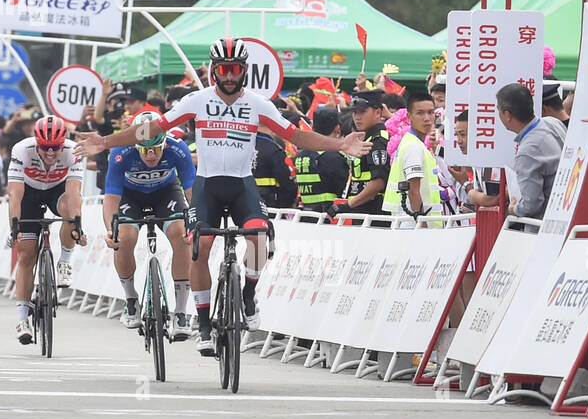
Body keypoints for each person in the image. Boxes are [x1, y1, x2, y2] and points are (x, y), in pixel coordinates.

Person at [78, 37, 370, 353]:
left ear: (244, 70)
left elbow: (295, 134)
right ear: (215, 70)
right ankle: (203, 324)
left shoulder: (258, 104)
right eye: (223, 69)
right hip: (208, 186)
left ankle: (248, 293)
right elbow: (153, 130)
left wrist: (339, 144)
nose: (229, 75)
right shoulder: (197, 100)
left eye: (235, 69)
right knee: (200, 245)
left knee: (258, 237)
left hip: (242, 184)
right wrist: (107, 142)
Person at [101, 111, 196, 338]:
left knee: (182, 235)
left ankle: (181, 311)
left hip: (166, 192)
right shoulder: (120, 152)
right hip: (130, 196)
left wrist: (195, 222)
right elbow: (111, 198)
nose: (151, 156)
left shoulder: (177, 148)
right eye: (145, 150)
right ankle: (131, 298)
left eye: (156, 149)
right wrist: (109, 229)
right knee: (123, 239)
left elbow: (192, 191)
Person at [6, 116, 87, 344]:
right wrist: (14, 226)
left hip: (57, 191)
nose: (50, 153)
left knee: (69, 213)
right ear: (36, 142)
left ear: (64, 143)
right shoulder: (22, 150)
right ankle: (22, 318)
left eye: (56, 148)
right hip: (28, 194)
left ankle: (64, 261)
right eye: (45, 147)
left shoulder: (73, 151)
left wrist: (78, 224)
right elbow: (15, 195)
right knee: (26, 254)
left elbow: (74, 194)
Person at [497, 82, 565, 220]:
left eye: (498, 109)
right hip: (564, 213)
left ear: (507, 115)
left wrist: (514, 209)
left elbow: (532, 203)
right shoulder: (553, 123)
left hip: (543, 226)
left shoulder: (527, 151)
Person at [381, 91, 442, 226]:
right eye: (420, 113)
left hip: (408, 220)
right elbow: (413, 191)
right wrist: (422, 225)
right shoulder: (414, 146)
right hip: (413, 222)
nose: (427, 118)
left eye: (430, 112)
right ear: (409, 117)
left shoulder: (411, 142)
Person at [335, 89, 391, 217]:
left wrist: (348, 205)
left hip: (372, 214)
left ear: (378, 112)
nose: (357, 117)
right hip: (361, 211)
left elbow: (379, 182)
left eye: (362, 112)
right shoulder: (368, 137)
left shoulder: (379, 140)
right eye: (355, 112)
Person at [294, 106, 350, 218]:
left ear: (313, 127)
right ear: (337, 128)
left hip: (305, 213)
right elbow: (343, 188)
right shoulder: (334, 156)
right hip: (328, 215)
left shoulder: (301, 154)